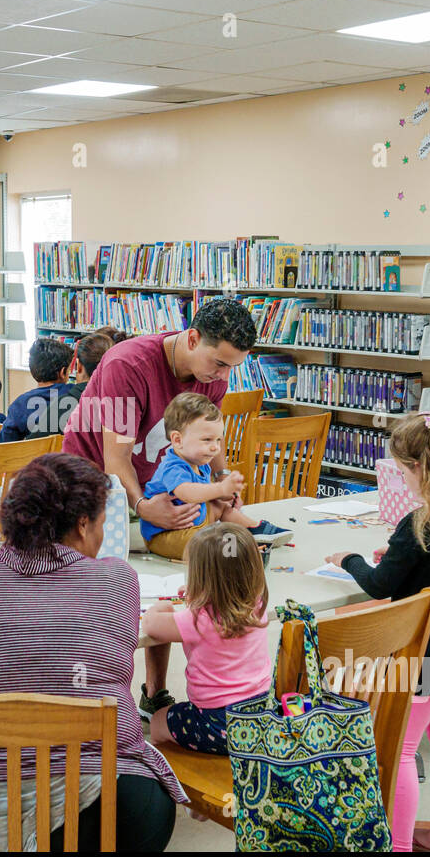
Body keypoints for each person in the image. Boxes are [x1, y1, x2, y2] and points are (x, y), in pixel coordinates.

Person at [0, 452, 185, 851]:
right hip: (95, 802)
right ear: (82, 523)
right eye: (100, 523)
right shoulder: (117, 580)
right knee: (145, 804)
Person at [62, 297, 256, 717]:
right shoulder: (125, 365)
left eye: (230, 368)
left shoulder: (214, 377)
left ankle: (154, 692)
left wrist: (223, 484)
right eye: (219, 364)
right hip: (96, 493)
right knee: (127, 582)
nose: (222, 377)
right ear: (191, 338)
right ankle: (101, 698)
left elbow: (210, 440)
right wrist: (145, 505)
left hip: (156, 485)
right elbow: (115, 461)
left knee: (170, 580)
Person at [326, 413, 430, 853]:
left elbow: (381, 586)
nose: (402, 482)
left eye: (402, 472)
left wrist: (350, 560)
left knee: (402, 750)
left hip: (422, 654)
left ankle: (398, 845)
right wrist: (398, 557)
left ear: (420, 468)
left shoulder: (418, 524)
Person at [143, 522, 272, 756]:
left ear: (204, 578)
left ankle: (185, 771)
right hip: (261, 715)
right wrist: (201, 594)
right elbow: (228, 585)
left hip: (215, 723)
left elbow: (151, 625)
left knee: (157, 724)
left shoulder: (197, 619)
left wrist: (161, 605)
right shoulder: (257, 604)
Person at [140, 393, 291, 560]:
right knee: (203, 543)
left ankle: (253, 529)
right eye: (207, 440)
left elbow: (206, 496)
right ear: (177, 440)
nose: (215, 448)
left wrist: (226, 494)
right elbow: (186, 493)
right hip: (167, 534)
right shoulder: (173, 466)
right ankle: (233, 553)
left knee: (220, 506)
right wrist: (220, 488)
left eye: (218, 440)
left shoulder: (200, 463)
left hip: (197, 522)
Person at [0, 337, 73, 442]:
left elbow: (6, 444)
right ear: (63, 372)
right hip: (71, 457)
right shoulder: (75, 394)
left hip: (33, 457)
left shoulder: (20, 404)